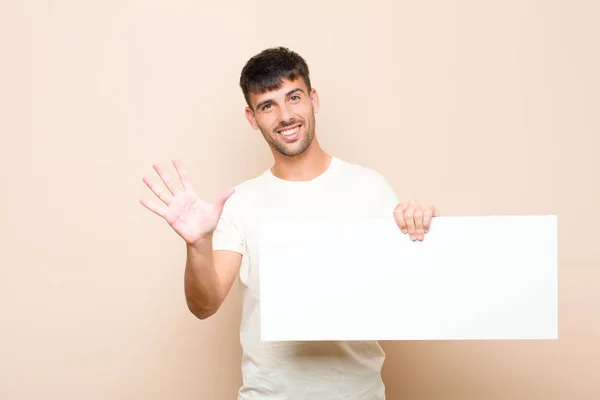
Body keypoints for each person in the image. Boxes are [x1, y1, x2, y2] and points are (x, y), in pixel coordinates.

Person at [140, 46, 439, 400]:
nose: (285, 115)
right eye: (267, 105)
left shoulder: (370, 187)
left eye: (293, 97)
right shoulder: (240, 202)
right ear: (252, 118)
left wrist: (420, 227)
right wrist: (196, 244)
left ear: (313, 99)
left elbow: (409, 290)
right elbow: (204, 305)